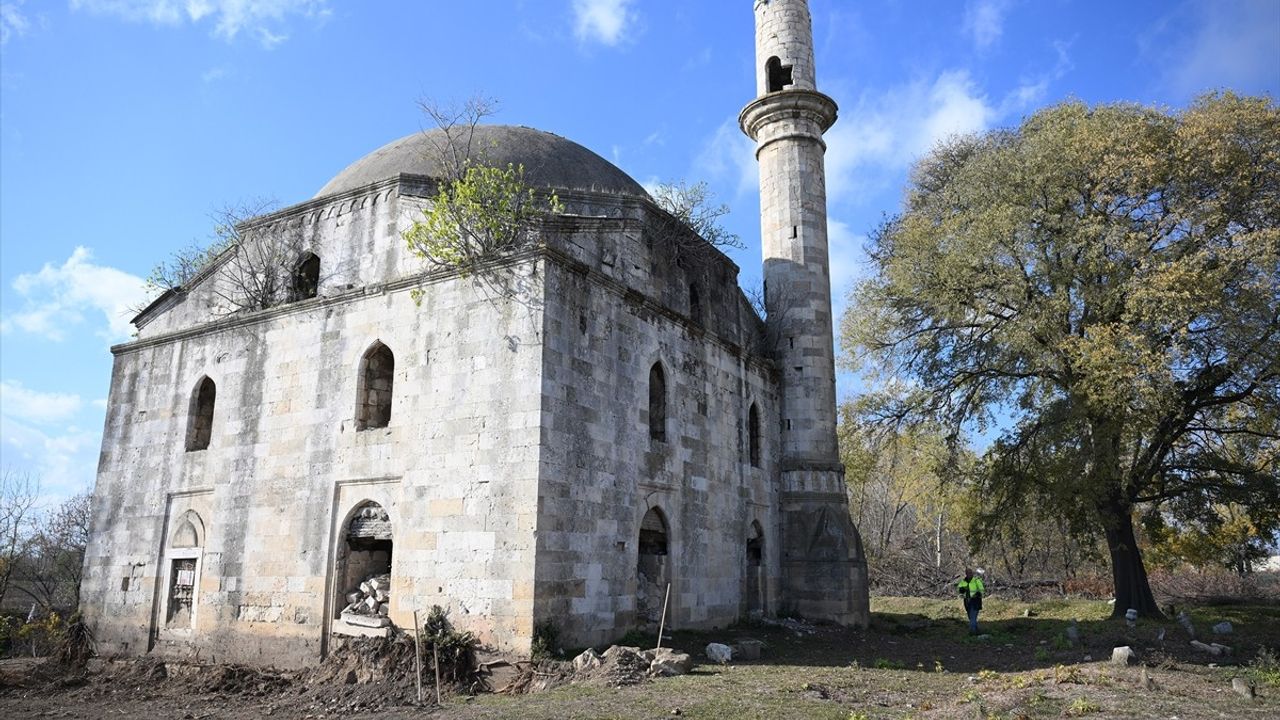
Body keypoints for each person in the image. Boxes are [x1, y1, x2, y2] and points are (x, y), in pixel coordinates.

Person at [957, 567, 985, 635]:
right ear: (966, 574)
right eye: (968, 573)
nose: (970, 574)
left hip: (975, 601)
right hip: (967, 602)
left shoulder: (976, 581)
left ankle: (972, 632)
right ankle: (977, 631)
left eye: (971, 573)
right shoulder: (963, 581)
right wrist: (962, 590)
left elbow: (982, 590)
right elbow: (959, 590)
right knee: (970, 617)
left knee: (973, 617)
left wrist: (978, 593)